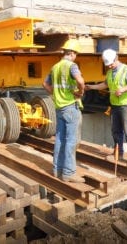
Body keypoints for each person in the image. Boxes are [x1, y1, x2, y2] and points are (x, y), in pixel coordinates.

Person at [85, 48, 127, 169]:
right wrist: (91, 87)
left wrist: (123, 89)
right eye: (108, 64)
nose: (110, 66)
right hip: (115, 105)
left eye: (111, 63)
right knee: (116, 130)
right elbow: (105, 85)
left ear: (116, 59)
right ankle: (118, 153)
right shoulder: (110, 72)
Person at [43, 39, 85, 183]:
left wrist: (54, 94)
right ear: (72, 53)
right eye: (76, 54)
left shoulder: (55, 67)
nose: (75, 57)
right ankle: (69, 173)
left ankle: (57, 170)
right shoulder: (72, 66)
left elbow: (45, 83)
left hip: (59, 107)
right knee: (72, 140)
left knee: (60, 139)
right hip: (70, 107)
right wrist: (80, 92)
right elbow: (80, 81)